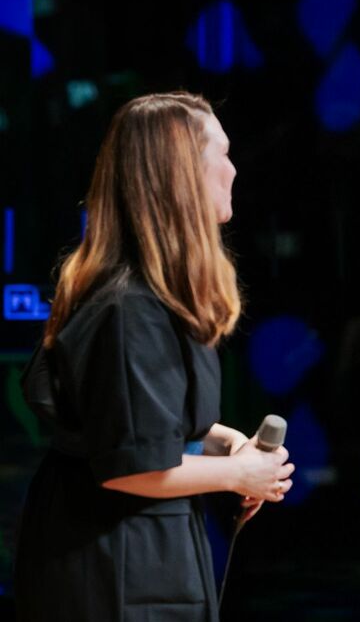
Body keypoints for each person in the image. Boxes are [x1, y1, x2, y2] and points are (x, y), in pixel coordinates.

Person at [13, 92, 295, 621]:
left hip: (137, 552)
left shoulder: (152, 299)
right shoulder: (130, 309)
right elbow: (130, 466)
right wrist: (239, 477)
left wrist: (223, 440)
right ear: (184, 173)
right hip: (109, 563)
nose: (233, 170)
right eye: (224, 153)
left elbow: (135, 413)